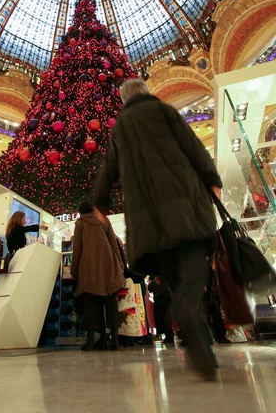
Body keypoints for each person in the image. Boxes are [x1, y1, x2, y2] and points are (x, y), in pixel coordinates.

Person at [94, 78, 223, 380]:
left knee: (174, 280)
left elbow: (108, 168)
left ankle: (198, 340)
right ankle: (192, 314)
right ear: (147, 93)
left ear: (124, 100)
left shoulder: (121, 126)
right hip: (185, 207)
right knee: (193, 269)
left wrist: (99, 202)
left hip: (148, 221)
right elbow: (193, 147)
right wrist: (211, 178)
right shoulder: (165, 112)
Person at [70, 201, 124, 351]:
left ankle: (91, 340)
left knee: (91, 304)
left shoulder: (80, 224)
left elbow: (77, 250)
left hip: (89, 269)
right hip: (109, 266)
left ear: (81, 212)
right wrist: (119, 264)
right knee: (111, 302)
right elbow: (114, 244)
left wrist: (74, 271)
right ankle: (115, 340)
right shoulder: (104, 221)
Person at [148, 276, 174, 344]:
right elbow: (150, 288)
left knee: (167, 318)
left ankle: (169, 335)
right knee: (159, 317)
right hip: (159, 301)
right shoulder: (153, 282)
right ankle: (165, 335)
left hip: (166, 299)